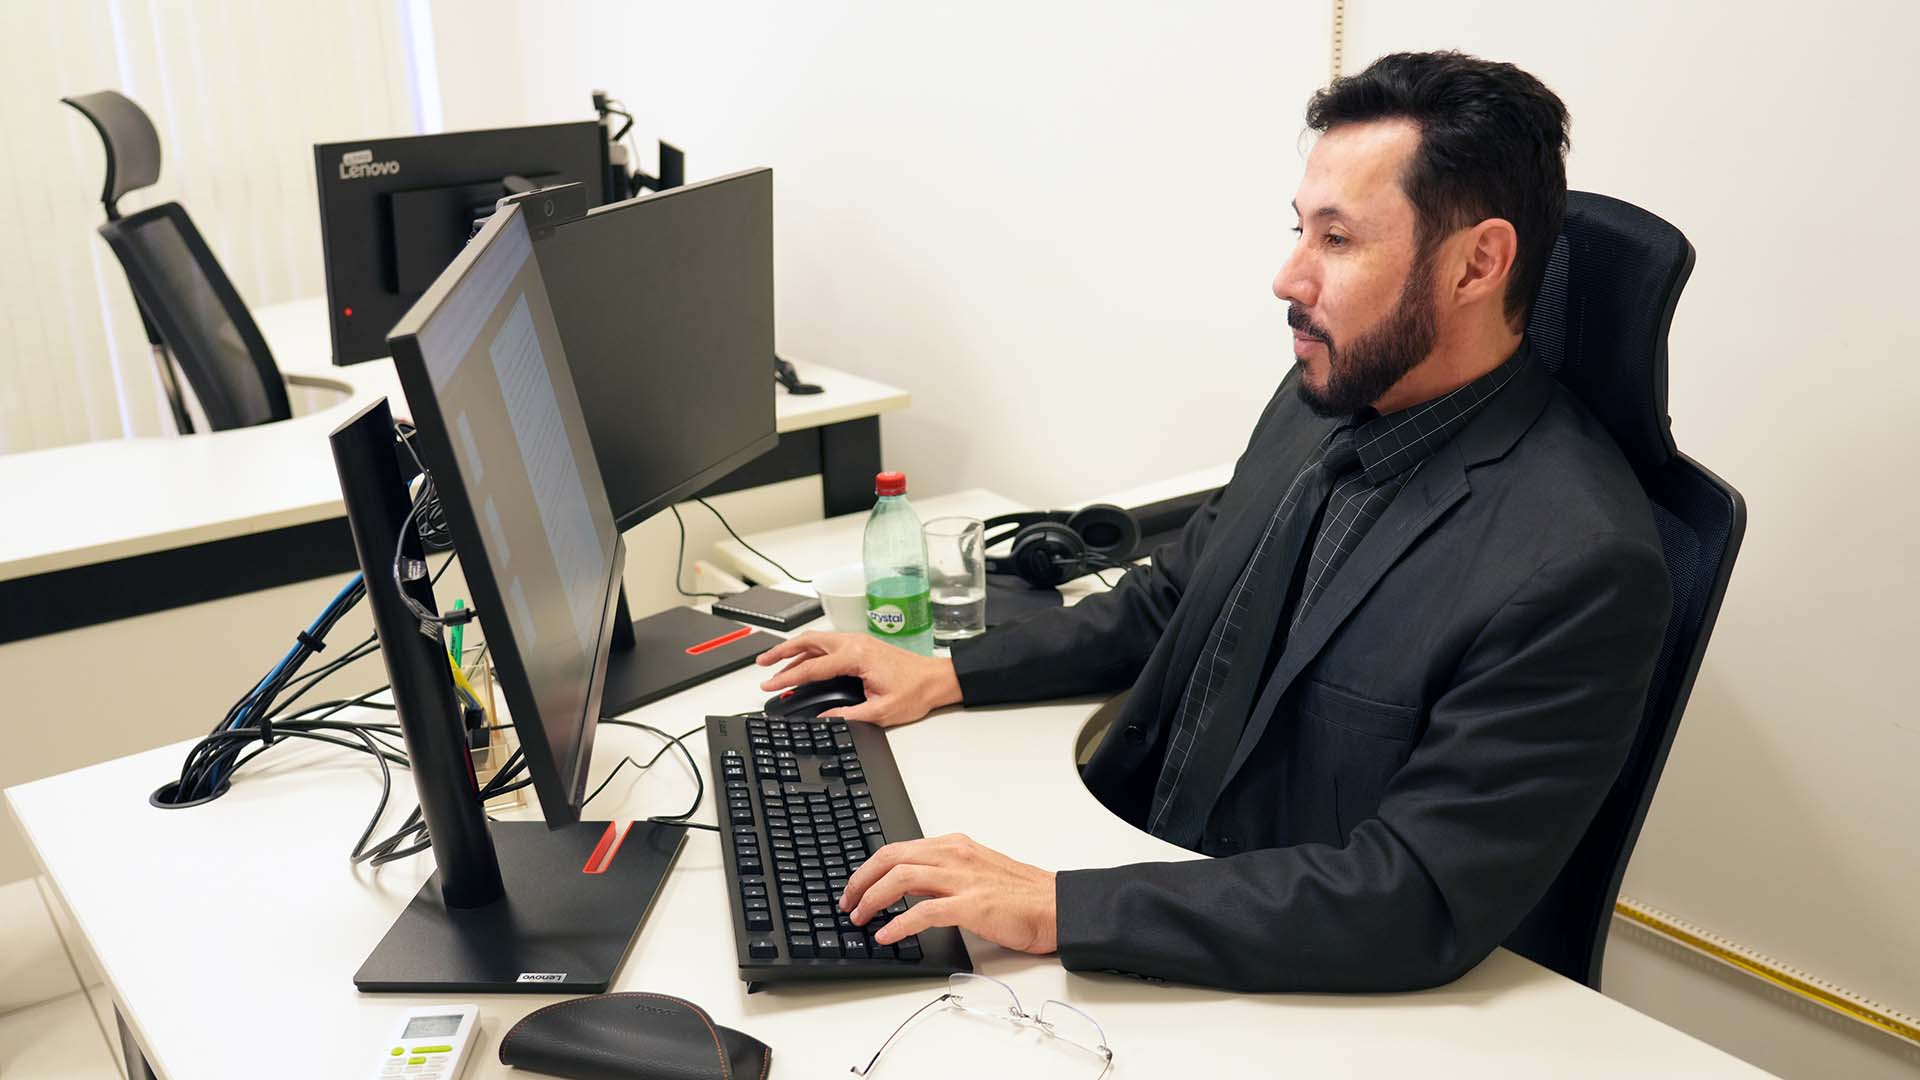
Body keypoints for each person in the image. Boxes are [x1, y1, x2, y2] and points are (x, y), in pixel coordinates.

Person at [757, 51, 1672, 992]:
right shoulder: (1325, 394)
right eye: (1298, 231)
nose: (1287, 277)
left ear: (1478, 262)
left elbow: (1413, 897)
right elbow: (1174, 598)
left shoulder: (1578, 563)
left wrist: (1059, 907)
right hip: (1135, 868)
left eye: (1339, 240)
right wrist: (946, 674)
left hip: (1265, 971)